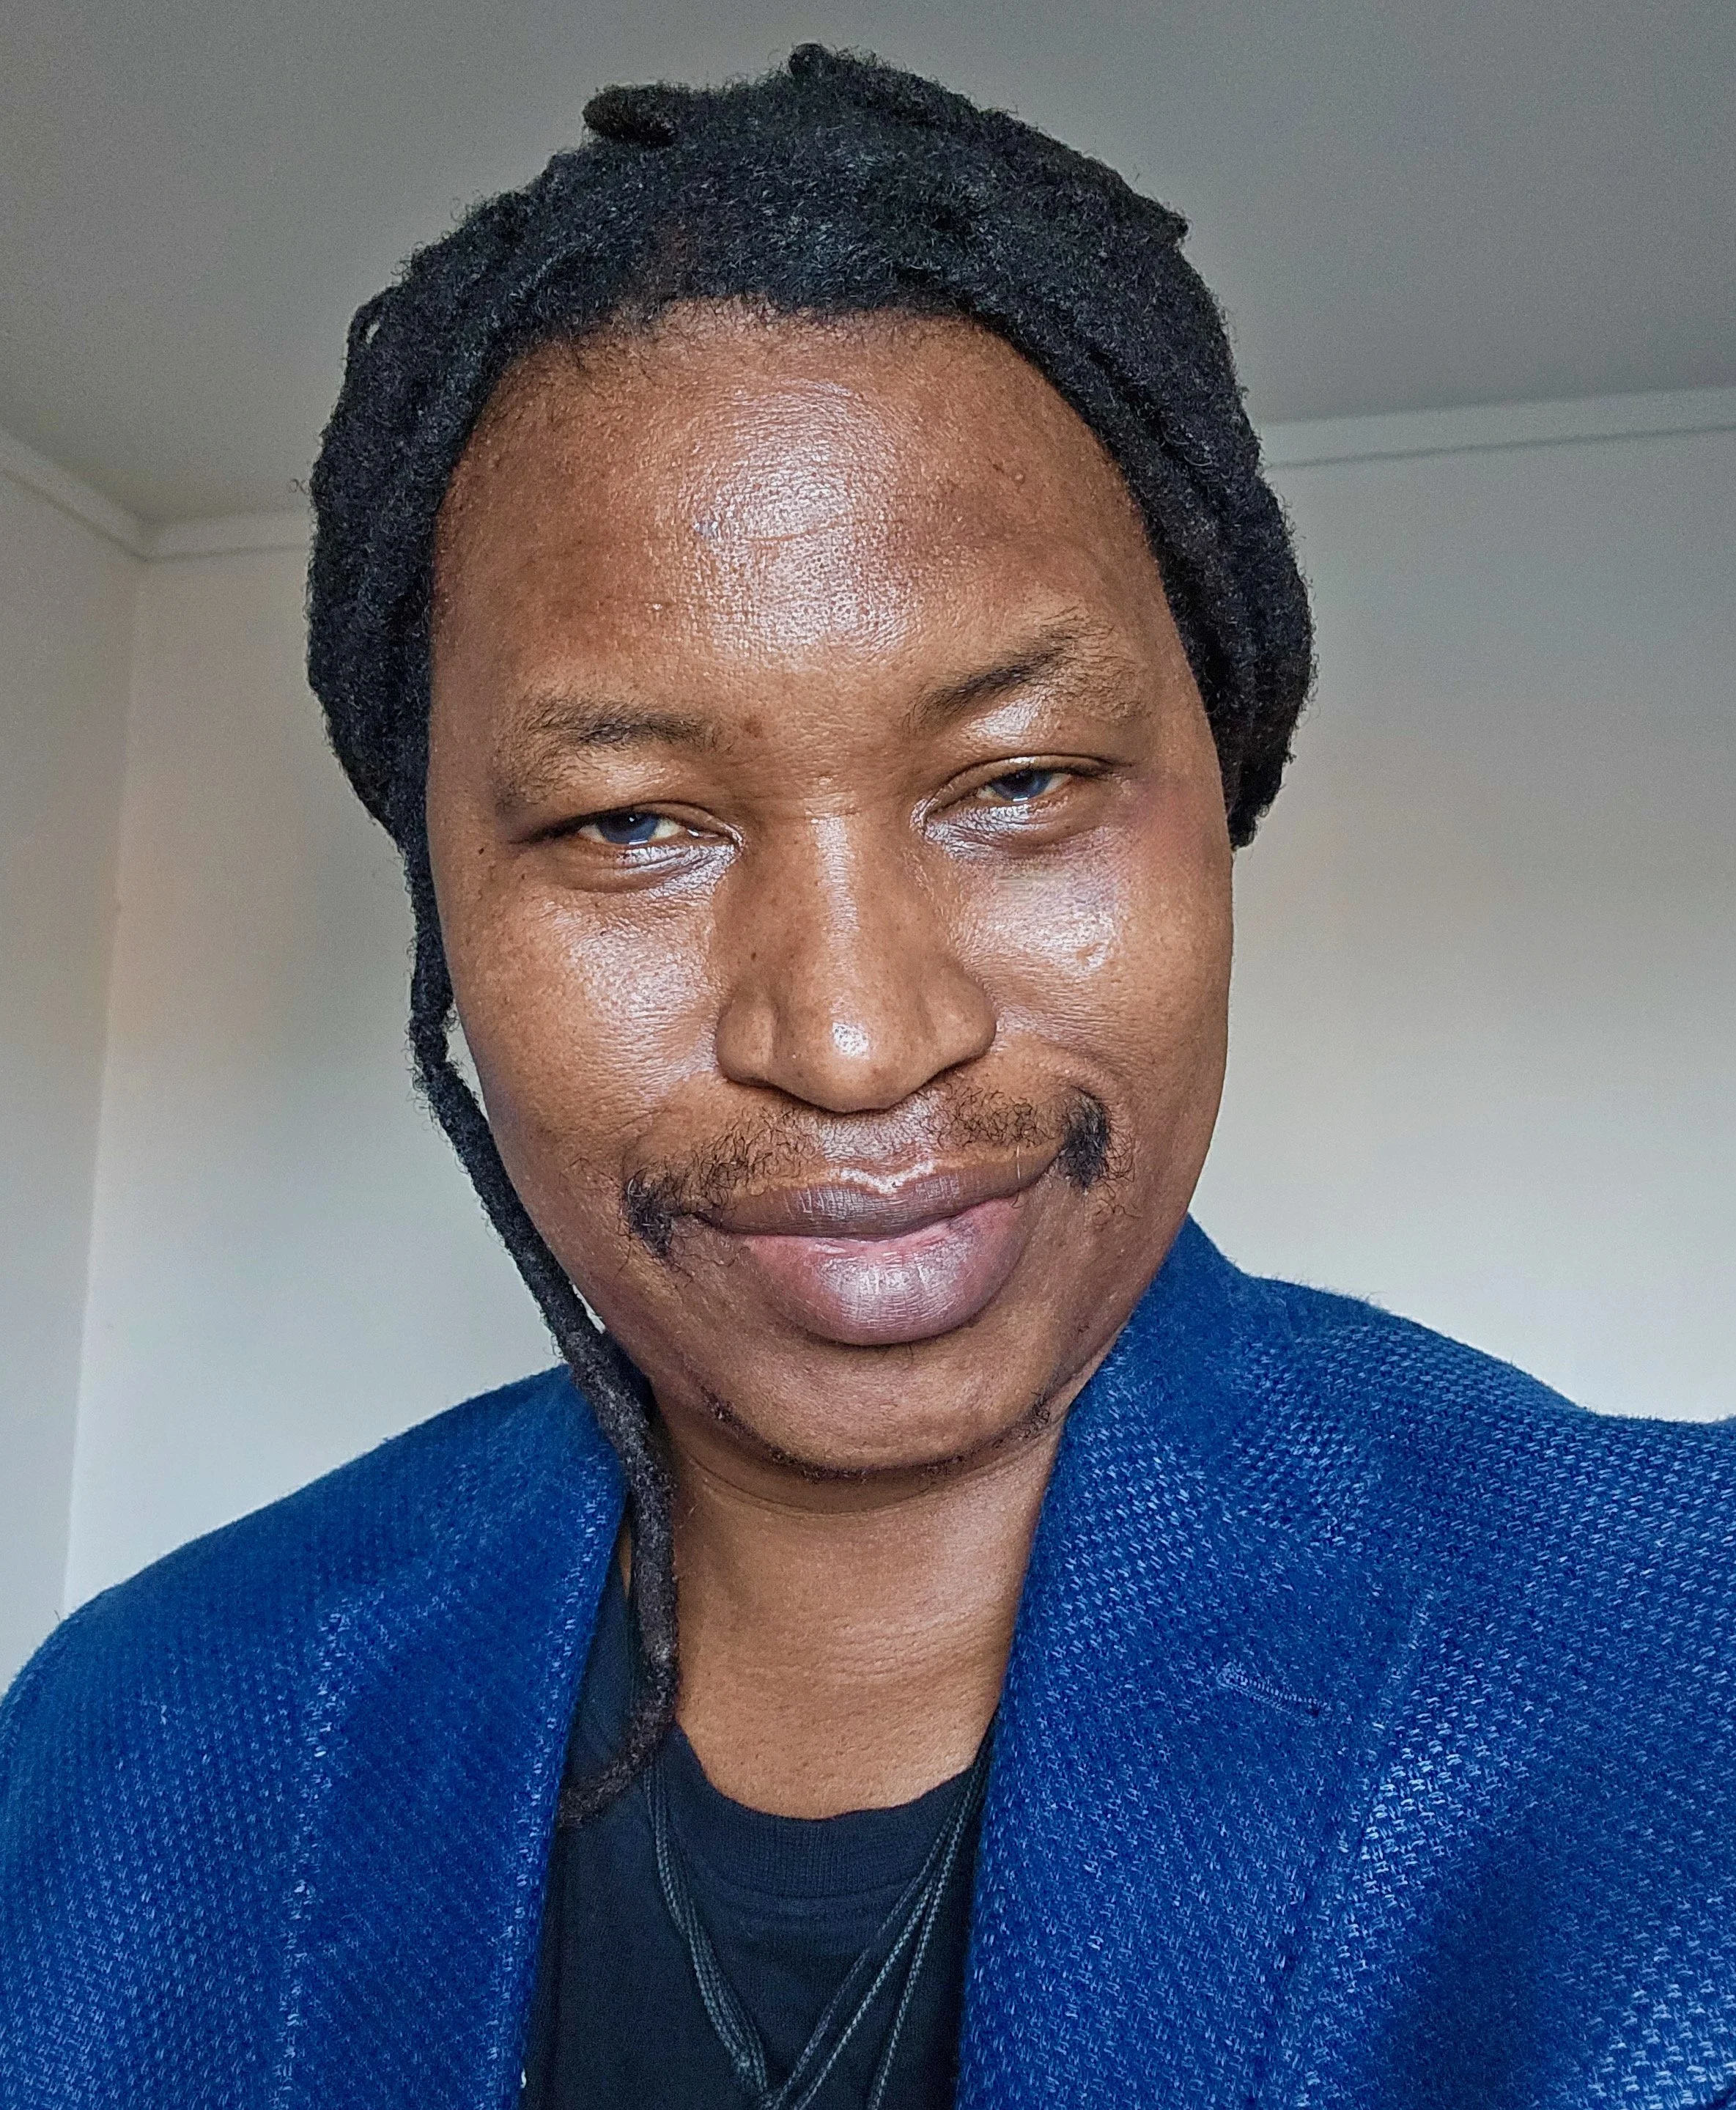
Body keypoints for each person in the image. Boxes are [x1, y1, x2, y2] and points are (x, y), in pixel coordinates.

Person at [2, 45, 1732, 2110]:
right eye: (634, 822)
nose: (850, 1036)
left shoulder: (1681, 1683)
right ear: (443, 901)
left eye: (1016, 782)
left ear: (1227, 786)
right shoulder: (124, 1752)